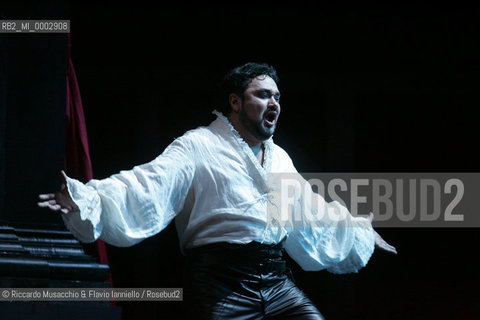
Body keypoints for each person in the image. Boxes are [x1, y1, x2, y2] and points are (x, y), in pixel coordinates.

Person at [38, 62, 396, 319]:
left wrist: (356, 230)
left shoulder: (280, 158)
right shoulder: (197, 145)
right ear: (236, 102)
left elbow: (310, 209)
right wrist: (89, 198)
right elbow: (148, 183)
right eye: (263, 95)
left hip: (276, 281)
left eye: (278, 97)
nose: (274, 104)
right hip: (220, 283)